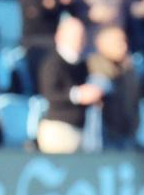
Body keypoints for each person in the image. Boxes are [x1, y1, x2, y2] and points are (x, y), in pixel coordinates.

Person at [36, 15, 100, 155]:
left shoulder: (82, 65)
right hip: (58, 130)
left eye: (82, 35)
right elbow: (49, 94)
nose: (79, 40)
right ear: (60, 35)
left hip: (81, 130)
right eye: (74, 35)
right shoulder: (52, 63)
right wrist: (78, 95)